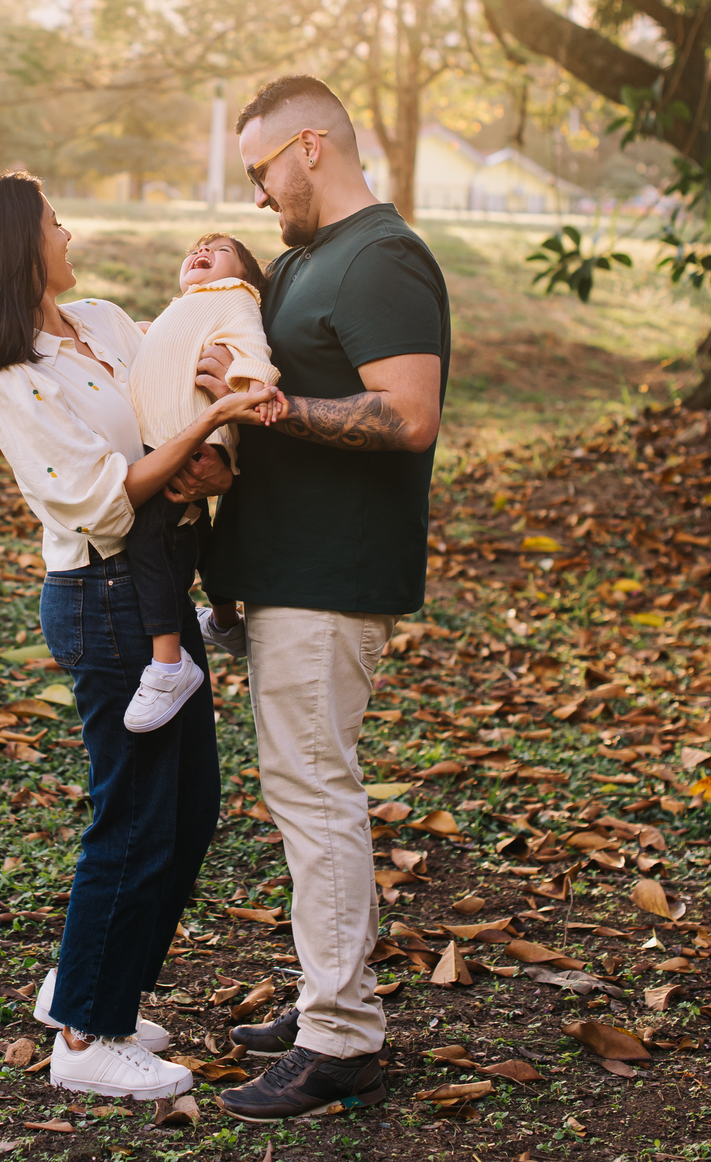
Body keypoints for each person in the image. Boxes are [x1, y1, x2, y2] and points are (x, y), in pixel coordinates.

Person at [0, 172, 276, 1101]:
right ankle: (84, 1035)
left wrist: (212, 413)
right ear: (16, 249)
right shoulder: (15, 381)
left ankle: (91, 985)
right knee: (137, 816)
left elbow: (175, 391)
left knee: (189, 810)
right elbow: (105, 500)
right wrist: (209, 421)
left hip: (156, 590)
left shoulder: (106, 323)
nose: (67, 234)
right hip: (105, 597)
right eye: (53, 223)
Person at [198, 75, 450, 1124]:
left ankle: (341, 1038)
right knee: (299, 790)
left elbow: (409, 414)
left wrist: (269, 405)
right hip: (283, 573)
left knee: (315, 793)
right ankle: (323, 1003)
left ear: (310, 146)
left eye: (261, 170)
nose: (257, 193)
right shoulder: (306, 260)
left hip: (331, 578)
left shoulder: (382, 257)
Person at [122, 231, 286, 733]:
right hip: (171, 437)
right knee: (195, 531)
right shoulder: (187, 306)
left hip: (186, 440)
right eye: (196, 248)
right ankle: (225, 620)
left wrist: (254, 384)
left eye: (220, 251)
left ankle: (169, 665)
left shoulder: (235, 297)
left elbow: (251, 345)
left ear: (243, 276)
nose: (202, 252)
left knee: (148, 538)